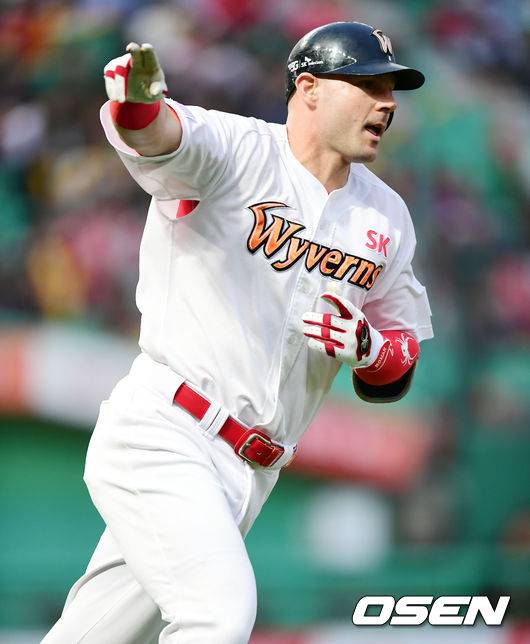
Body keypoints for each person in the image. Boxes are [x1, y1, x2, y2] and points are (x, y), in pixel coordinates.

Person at [42, 20, 433, 644]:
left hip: (251, 472)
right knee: (218, 616)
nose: (386, 102)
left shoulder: (386, 215)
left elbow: (395, 367)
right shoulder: (237, 149)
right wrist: (138, 106)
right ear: (309, 89)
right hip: (168, 432)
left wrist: (370, 349)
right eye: (368, 85)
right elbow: (160, 137)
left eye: (391, 89)